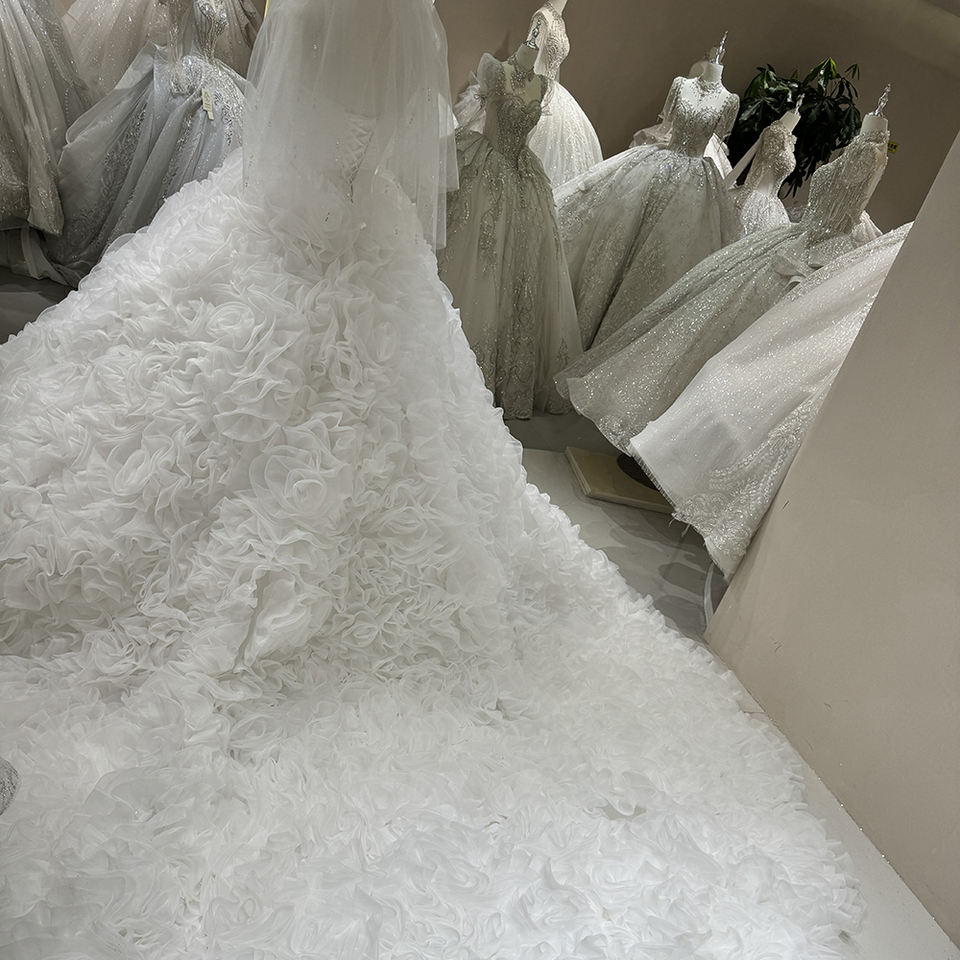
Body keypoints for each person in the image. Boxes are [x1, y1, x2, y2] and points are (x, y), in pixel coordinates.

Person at [0, 0, 859, 953]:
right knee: (370, 419)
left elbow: (286, 109)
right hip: (364, 230)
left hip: (281, 210)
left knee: (198, 402)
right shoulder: (410, 19)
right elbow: (410, 140)